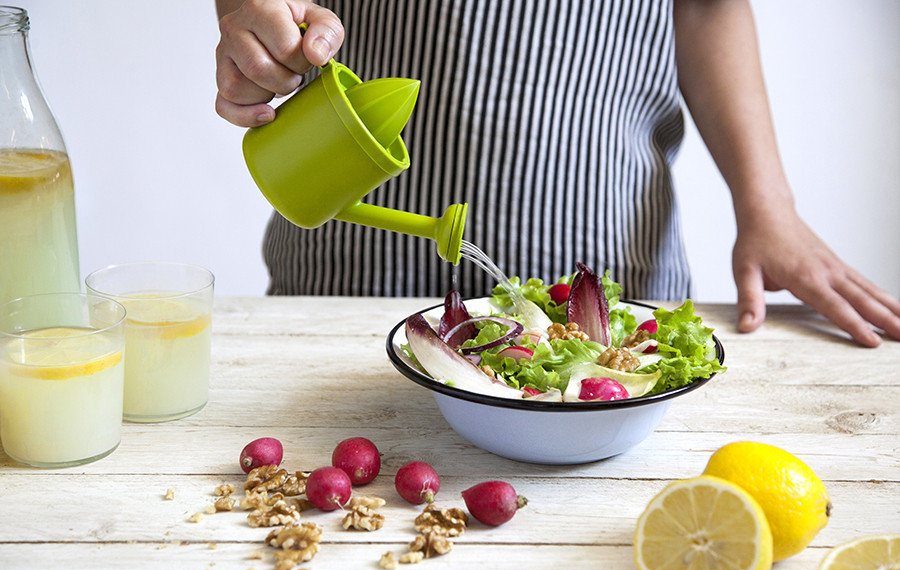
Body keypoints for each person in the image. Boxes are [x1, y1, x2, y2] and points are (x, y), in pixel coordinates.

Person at [214, 0, 900, 347]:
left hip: (606, 276)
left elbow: (707, 5)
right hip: (346, 280)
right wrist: (250, 17)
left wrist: (769, 208)